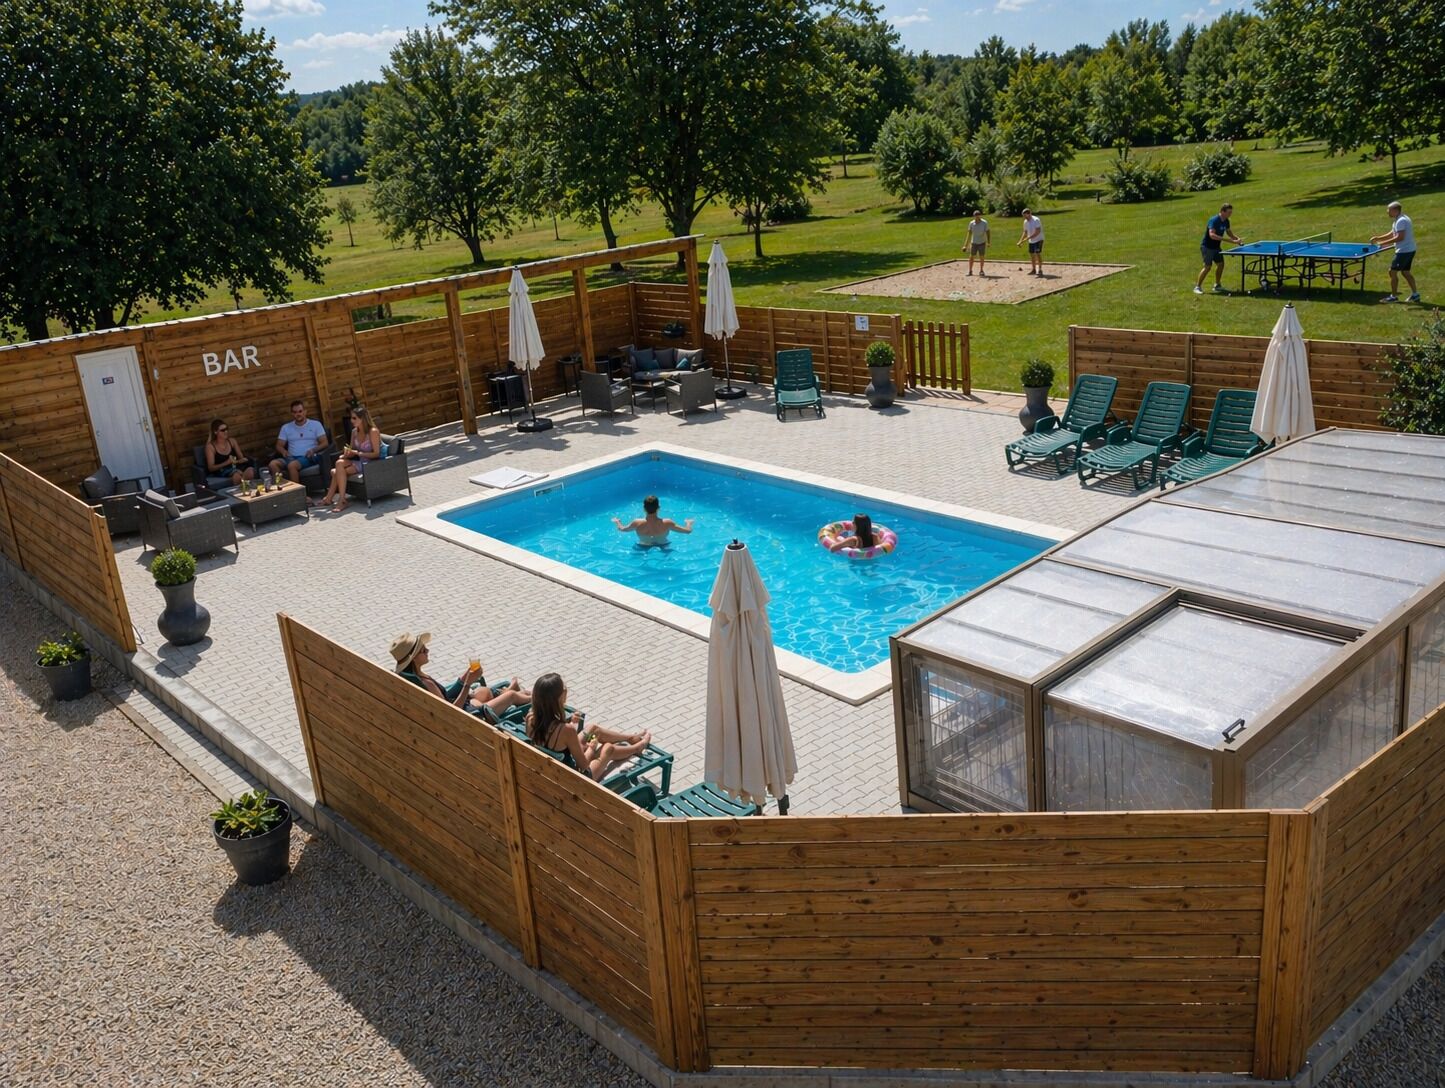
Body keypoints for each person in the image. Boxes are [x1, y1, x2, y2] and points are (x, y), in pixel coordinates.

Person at [526, 673, 650, 783]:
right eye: (564, 690)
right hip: (577, 779)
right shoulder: (567, 730)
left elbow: (549, 730)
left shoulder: (530, 718)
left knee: (593, 729)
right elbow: (583, 765)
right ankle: (637, 748)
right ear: (559, 698)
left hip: (554, 770)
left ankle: (630, 738)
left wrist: (567, 720)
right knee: (607, 748)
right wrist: (592, 748)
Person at [390, 633, 531, 720]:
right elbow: (451, 713)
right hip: (469, 718)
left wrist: (465, 677)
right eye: (423, 650)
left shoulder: (411, 677)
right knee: (511, 695)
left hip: (459, 710)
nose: (428, 650)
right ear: (413, 658)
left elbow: (445, 696)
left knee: (483, 692)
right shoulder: (426, 684)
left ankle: (516, 693)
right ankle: (538, 697)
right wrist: (467, 684)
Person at [316, 404, 381, 510]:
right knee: (339, 462)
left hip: (369, 463)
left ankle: (332, 499)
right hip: (358, 461)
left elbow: (376, 453)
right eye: (351, 417)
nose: (351, 420)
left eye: (354, 418)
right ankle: (340, 500)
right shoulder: (354, 432)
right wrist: (347, 453)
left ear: (362, 419)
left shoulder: (372, 432)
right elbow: (352, 450)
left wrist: (358, 453)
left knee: (336, 472)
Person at [268, 399, 330, 485]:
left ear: (305, 411)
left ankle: (298, 494)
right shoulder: (286, 427)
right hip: (290, 457)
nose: (298, 414)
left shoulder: (316, 424)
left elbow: (325, 443)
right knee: (273, 464)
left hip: (308, 457)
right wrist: (283, 451)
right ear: (292, 413)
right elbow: (279, 445)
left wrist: (313, 450)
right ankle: (282, 491)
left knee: (292, 465)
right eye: (295, 412)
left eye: (300, 411)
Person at [1371, 200, 1420, 303]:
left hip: (1404, 251)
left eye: (1389, 210)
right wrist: (1378, 238)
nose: (1387, 212)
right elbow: (1393, 232)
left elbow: (1399, 237)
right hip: (1409, 250)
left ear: (1395, 210)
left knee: (1392, 271)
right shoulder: (1400, 219)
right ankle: (1415, 295)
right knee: (1405, 272)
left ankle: (1393, 297)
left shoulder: (1401, 220)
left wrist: (1382, 243)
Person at [1194, 203, 1243, 295]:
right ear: (1222, 211)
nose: (1230, 214)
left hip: (1216, 247)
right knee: (1207, 267)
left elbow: (1229, 233)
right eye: (1229, 212)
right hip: (1207, 247)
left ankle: (1217, 285)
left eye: (1231, 212)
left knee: (1221, 264)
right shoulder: (1214, 220)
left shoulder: (1226, 221)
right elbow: (1212, 235)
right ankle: (1197, 287)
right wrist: (1230, 241)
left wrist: (1237, 239)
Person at [613, 495, 693, 546]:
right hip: (663, 544)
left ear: (644, 508)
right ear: (658, 508)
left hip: (643, 545)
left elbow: (622, 529)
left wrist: (617, 522)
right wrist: (688, 523)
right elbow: (688, 531)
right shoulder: (667, 522)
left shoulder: (637, 523)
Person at [204, 419, 255, 489]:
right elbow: (211, 468)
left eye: (226, 429)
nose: (226, 432)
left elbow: (241, 458)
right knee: (236, 475)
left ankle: (245, 489)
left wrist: (240, 460)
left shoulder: (232, 441)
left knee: (250, 471)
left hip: (235, 467)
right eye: (222, 430)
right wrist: (227, 462)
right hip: (222, 470)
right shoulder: (210, 446)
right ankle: (243, 490)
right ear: (215, 432)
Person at [1015, 209, 1044, 276]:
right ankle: (1033, 269)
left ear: (1029, 214)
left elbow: (1038, 231)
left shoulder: (1036, 220)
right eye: (1024, 216)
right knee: (1032, 255)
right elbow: (1025, 232)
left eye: (1026, 216)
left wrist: (1028, 238)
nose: (1025, 218)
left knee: (1038, 253)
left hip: (1038, 239)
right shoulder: (1025, 222)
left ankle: (1040, 269)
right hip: (1031, 241)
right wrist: (1020, 241)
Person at [964, 211, 991, 276]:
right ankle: (970, 270)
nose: (977, 217)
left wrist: (988, 242)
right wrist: (965, 245)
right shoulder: (971, 223)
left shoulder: (984, 223)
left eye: (978, 215)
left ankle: (981, 270)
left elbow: (988, 232)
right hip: (974, 242)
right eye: (976, 216)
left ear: (980, 216)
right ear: (974, 216)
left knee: (981, 256)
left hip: (982, 242)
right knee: (971, 256)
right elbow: (969, 234)